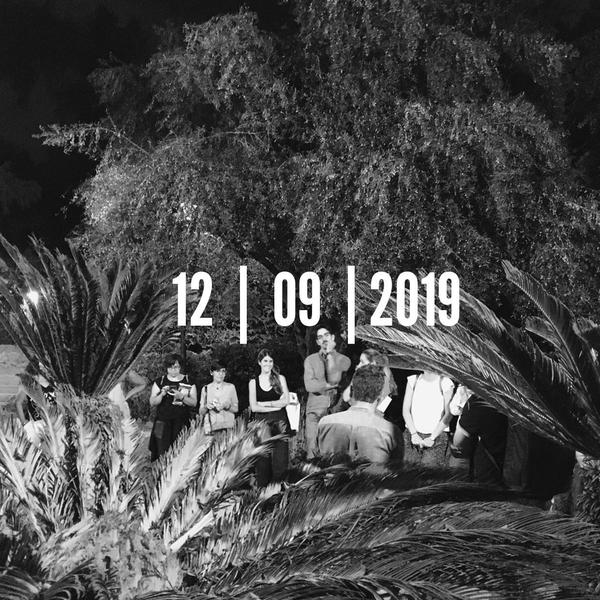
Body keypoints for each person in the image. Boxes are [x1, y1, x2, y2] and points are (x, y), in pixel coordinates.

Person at [317, 363, 403, 464]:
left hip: (332, 474)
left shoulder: (325, 423)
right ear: (380, 394)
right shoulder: (389, 431)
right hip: (371, 475)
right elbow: (396, 470)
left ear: (351, 390)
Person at [303, 323, 351, 458]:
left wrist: (330, 354)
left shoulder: (342, 359)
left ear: (332, 337)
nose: (324, 339)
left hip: (334, 409)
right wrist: (327, 385)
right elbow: (309, 386)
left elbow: (335, 379)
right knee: (312, 449)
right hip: (314, 410)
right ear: (317, 342)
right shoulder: (310, 360)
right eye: (320, 337)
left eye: (326, 335)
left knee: (332, 451)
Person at [249, 349, 290, 485]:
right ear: (259, 362)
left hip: (279, 420)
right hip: (261, 422)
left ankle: (280, 489)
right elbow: (254, 407)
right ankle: (262, 491)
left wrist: (266, 404)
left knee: (280, 459)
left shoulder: (280, 379)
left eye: (270, 361)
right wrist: (276, 404)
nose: (268, 364)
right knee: (262, 460)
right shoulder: (253, 383)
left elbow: (285, 401)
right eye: (265, 361)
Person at [148, 353, 197, 461]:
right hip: (161, 421)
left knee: (180, 450)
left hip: (181, 421)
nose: (173, 370)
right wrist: (162, 394)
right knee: (160, 450)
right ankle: (160, 470)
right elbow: (152, 402)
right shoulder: (160, 381)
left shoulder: (188, 381)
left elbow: (194, 402)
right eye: (170, 367)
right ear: (166, 368)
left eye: (176, 367)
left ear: (180, 367)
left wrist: (182, 397)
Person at [451, 395, 508, 485]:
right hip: (526, 474)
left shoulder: (480, 400)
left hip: (492, 475)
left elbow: (459, 445)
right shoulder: (524, 395)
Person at [402, 371, 455, 466]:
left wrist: (432, 437)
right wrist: (414, 434)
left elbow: (449, 414)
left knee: (429, 472)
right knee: (408, 470)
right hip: (412, 435)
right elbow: (405, 410)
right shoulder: (413, 380)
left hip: (436, 437)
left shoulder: (445, 382)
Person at [15, 360, 56, 445]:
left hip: (54, 423)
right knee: (39, 448)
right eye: (41, 367)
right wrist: (25, 423)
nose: (44, 370)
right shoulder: (30, 384)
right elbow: (18, 403)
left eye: (45, 368)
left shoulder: (54, 384)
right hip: (36, 424)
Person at [198, 361, 238, 435]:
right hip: (210, 429)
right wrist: (207, 407)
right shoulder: (205, 389)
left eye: (223, 371)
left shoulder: (231, 387)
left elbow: (236, 409)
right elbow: (201, 412)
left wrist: (227, 406)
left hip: (227, 428)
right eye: (217, 371)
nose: (221, 374)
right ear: (211, 372)